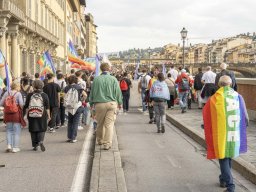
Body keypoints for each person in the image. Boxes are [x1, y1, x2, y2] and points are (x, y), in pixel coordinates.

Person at [203, 75, 249, 192]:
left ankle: (230, 187)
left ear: (219, 85)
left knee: (223, 157)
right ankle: (223, 179)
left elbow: (207, 115)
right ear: (231, 84)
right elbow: (245, 117)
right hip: (234, 132)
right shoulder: (238, 97)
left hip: (221, 134)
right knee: (228, 156)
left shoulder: (214, 98)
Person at [89, 63, 122, 150]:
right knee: (109, 125)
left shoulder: (96, 79)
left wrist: (91, 104)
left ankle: (100, 140)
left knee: (100, 124)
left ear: (101, 69)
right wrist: (120, 103)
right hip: (111, 104)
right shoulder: (113, 79)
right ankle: (107, 143)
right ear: (109, 69)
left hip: (99, 104)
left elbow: (92, 92)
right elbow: (118, 92)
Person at [24, 80, 50, 151]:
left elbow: (26, 106)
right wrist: (49, 116)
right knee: (42, 128)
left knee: (33, 129)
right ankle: (40, 141)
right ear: (42, 86)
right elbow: (47, 107)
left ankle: (35, 145)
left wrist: (27, 115)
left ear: (33, 86)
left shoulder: (29, 95)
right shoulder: (44, 95)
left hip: (31, 113)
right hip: (42, 114)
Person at [0, 82, 25, 153]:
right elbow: (21, 104)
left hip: (7, 114)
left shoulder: (6, 93)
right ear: (17, 87)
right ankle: (15, 147)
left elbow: (1, 103)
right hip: (16, 114)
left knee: (9, 130)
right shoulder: (18, 94)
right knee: (16, 131)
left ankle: (9, 145)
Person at [64, 75, 87, 143]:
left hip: (69, 106)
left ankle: (70, 137)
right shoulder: (78, 87)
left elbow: (65, 96)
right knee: (75, 122)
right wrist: (82, 100)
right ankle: (73, 138)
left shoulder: (66, 88)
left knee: (70, 122)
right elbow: (85, 95)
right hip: (77, 106)